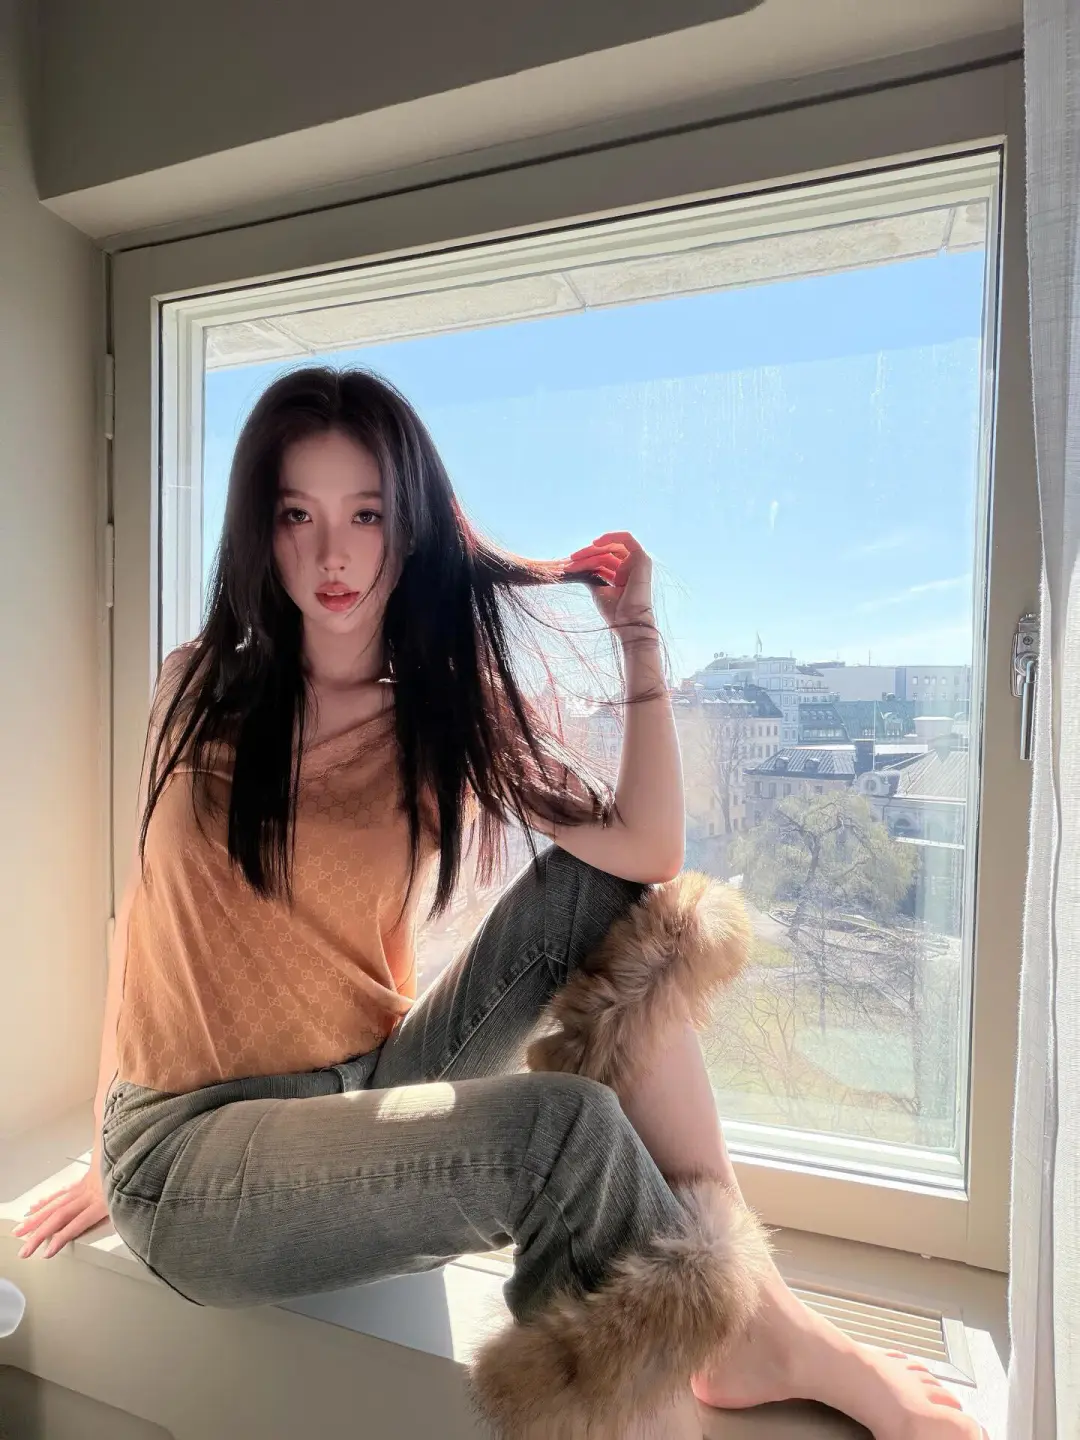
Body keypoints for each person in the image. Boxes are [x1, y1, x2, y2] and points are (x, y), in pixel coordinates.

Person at [16, 368, 985, 1439]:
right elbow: (142, 919)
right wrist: (111, 1146)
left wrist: (639, 637)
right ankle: (721, 1348)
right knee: (562, 1133)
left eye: (365, 515)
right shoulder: (194, 684)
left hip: (368, 1091)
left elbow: (645, 849)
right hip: (196, 1156)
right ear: (259, 529)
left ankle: (760, 1316)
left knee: (606, 892)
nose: (333, 554)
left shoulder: (439, 717)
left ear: (409, 528)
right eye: (297, 515)